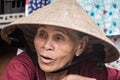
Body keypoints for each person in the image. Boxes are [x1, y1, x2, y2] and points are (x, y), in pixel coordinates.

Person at [1, 0, 120, 80]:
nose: (47, 46)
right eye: (42, 34)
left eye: (59, 38)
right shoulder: (21, 66)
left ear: (80, 46)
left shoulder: (90, 68)